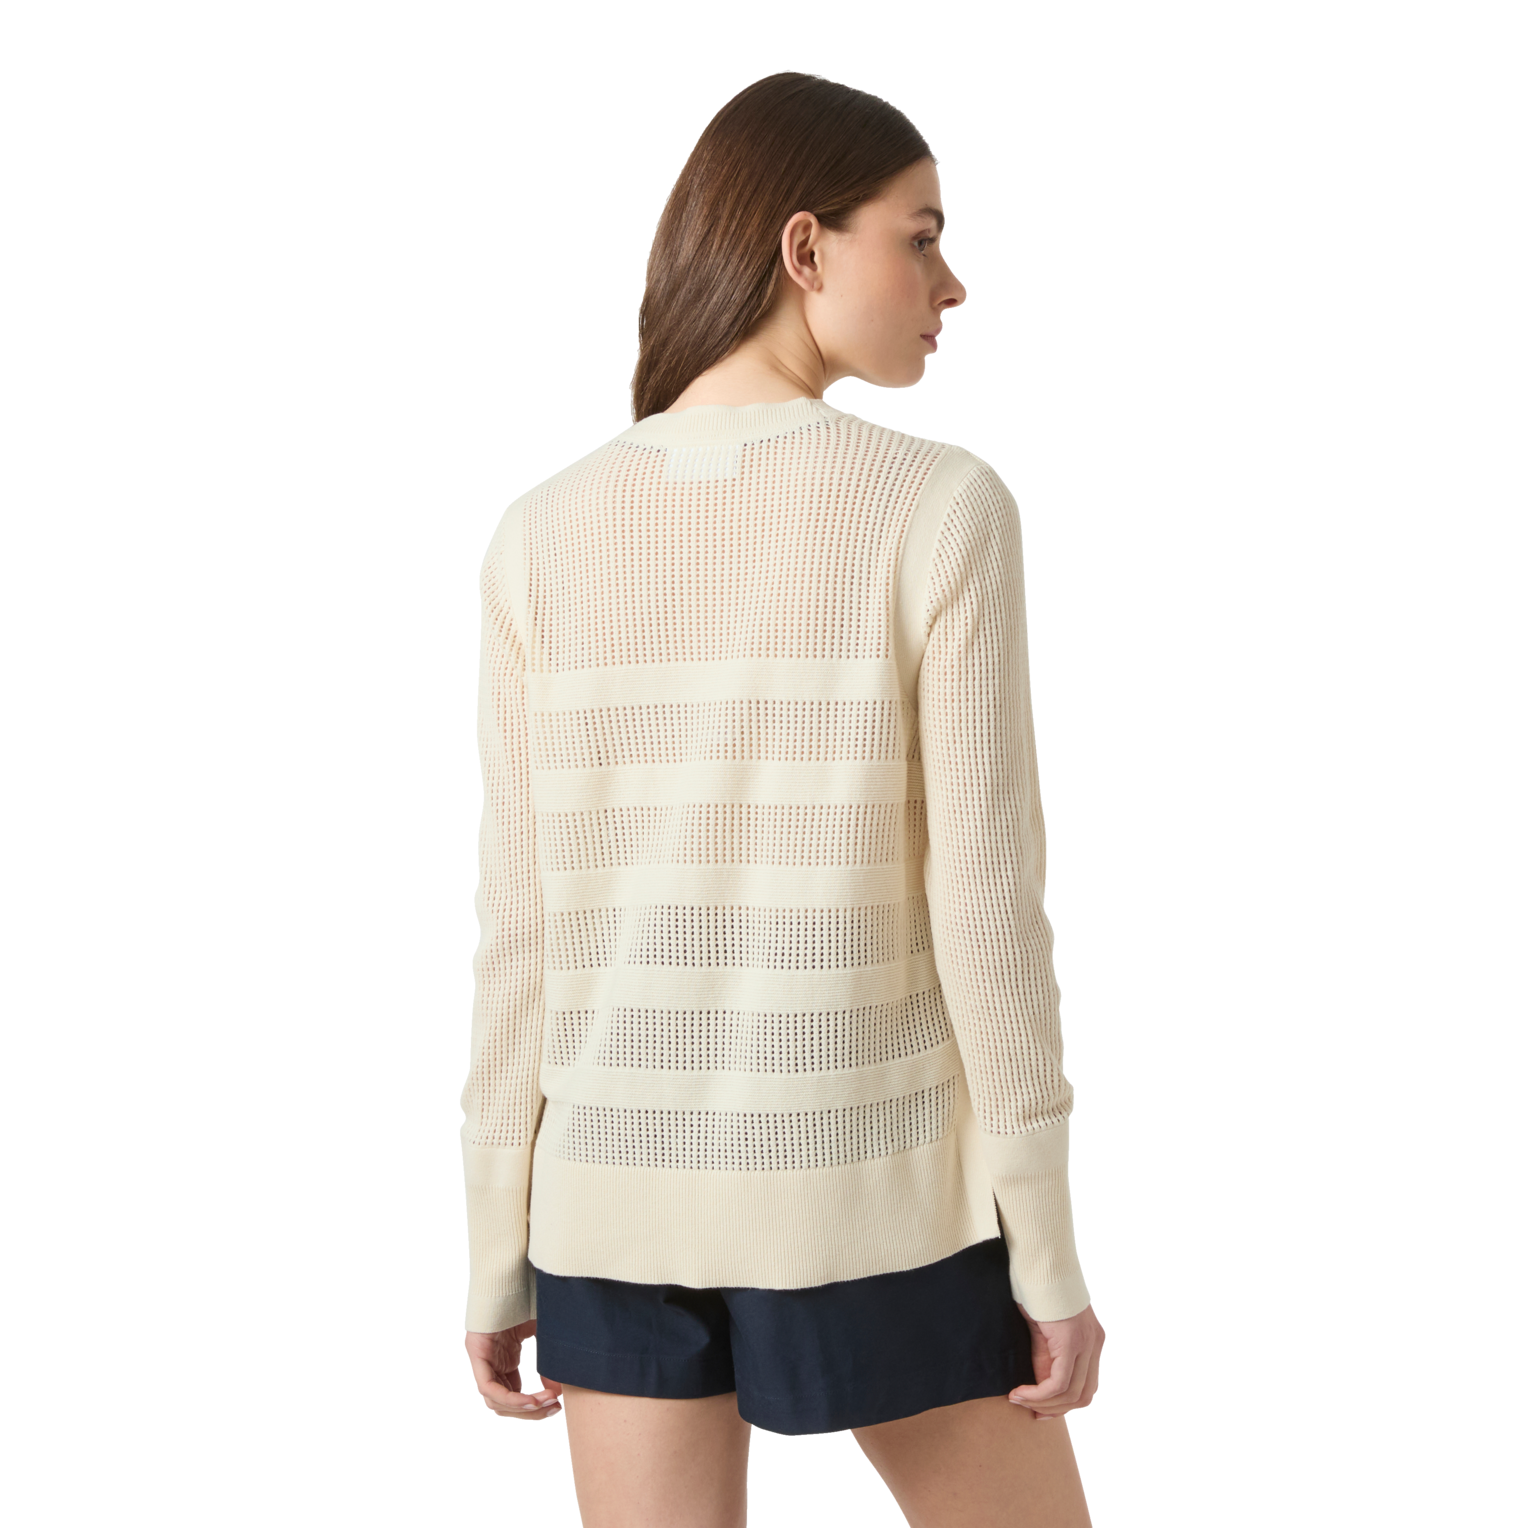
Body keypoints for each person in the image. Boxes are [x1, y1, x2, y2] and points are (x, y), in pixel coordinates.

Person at [459, 71, 1105, 1528]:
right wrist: (1046, 1242)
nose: (952, 283)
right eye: (920, 237)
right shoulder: (935, 507)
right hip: (869, 1188)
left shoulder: (539, 534)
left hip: (609, 1204)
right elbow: (985, 908)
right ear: (804, 247)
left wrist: (501, 1243)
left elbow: (520, 932)